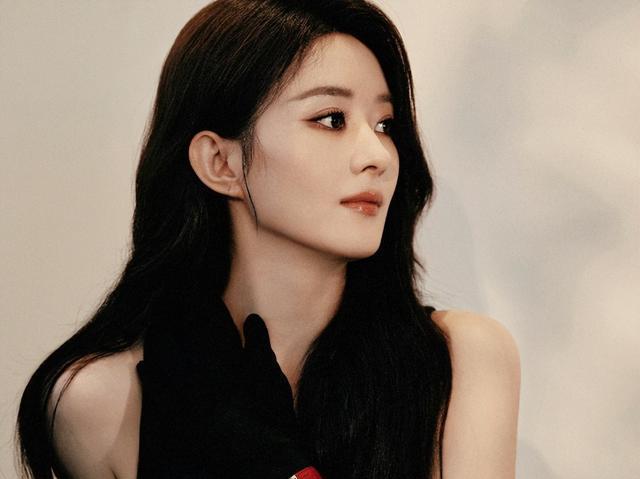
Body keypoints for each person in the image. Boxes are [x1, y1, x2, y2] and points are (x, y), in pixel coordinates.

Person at [15, 0, 521, 478]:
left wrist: (273, 462)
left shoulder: (461, 361)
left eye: (385, 124)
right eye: (331, 119)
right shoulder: (99, 400)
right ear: (220, 162)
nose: (379, 156)